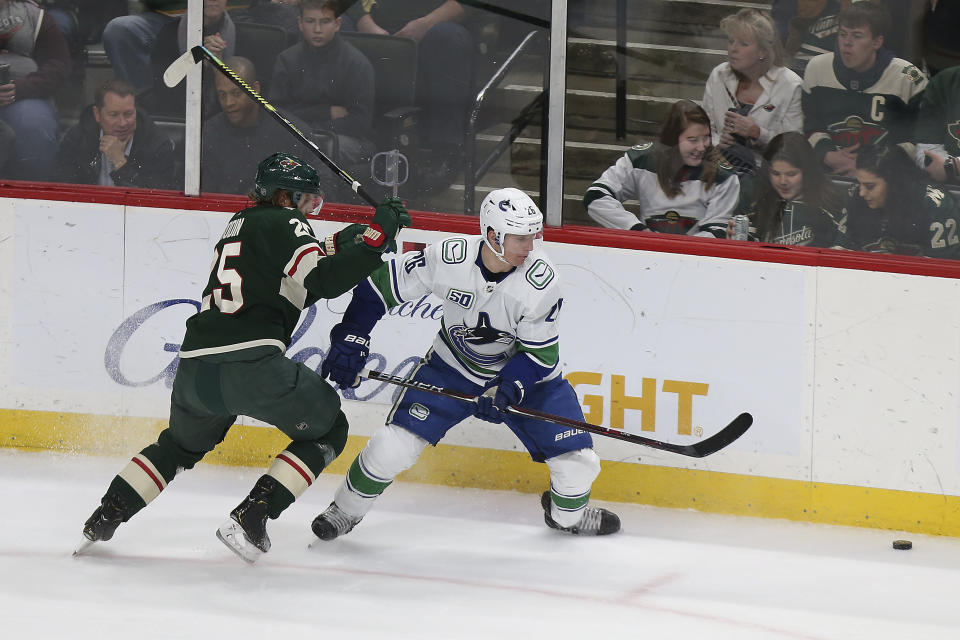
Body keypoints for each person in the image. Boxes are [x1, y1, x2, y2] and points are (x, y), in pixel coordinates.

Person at [80, 152, 412, 564]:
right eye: (307, 202)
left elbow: (292, 279)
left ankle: (107, 513)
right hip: (252, 366)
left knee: (178, 447)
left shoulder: (239, 223)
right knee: (329, 428)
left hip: (195, 372)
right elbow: (320, 281)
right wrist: (376, 242)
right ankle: (254, 512)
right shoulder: (286, 222)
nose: (311, 212)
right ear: (286, 198)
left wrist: (350, 242)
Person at [311, 187, 621, 540]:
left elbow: (539, 356)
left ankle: (567, 518)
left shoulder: (542, 281)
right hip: (451, 370)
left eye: (533, 236)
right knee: (391, 446)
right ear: (492, 235)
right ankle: (344, 511)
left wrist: (506, 389)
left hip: (532, 382)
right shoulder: (448, 257)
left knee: (579, 465)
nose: (530, 247)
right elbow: (376, 290)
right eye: (520, 238)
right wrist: (353, 334)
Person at [345, 0, 473, 192]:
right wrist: (365, 23)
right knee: (336, 23)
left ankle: (445, 152)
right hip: (375, 20)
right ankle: (343, 141)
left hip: (435, 24)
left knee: (446, 37)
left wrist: (426, 24)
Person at [801, 1, 927, 177]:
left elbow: (918, 140)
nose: (847, 43)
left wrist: (872, 165)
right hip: (827, 173)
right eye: (842, 34)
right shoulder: (817, 68)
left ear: (877, 42)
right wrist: (828, 155)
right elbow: (809, 124)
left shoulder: (908, 78)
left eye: (857, 36)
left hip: (886, 178)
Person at [584, 100, 740, 237]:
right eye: (693, 140)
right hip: (647, 254)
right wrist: (637, 230)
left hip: (694, 261)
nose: (701, 147)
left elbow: (717, 231)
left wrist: (677, 249)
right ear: (671, 140)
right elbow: (595, 196)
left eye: (706, 138)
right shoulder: (641, 160)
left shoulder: (723, 176)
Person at [270, 0, 374, 167]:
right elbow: (279, 115)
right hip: (300, 136)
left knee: (320, 148)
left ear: (337, 23)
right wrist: (326, 112)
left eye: (325, 22)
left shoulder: (356, 63)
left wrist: (307, 124)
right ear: (300, 23)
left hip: (341, 139)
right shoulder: (286, 60)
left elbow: (359, 124)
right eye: (310, 21)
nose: (317, 30)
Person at [702, 8, 803, 175]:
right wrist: (719, 142)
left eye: (743, 44)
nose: (733, 49)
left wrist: (757, 133)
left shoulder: (790, 85)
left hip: (768, 174)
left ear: (763, 51)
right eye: (731, 41)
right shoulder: (719, 75)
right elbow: (704, 128)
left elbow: (795, 147)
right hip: (719, 168)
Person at [201, 56, 316, 195]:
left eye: (236, 93)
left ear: (255, 89)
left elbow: (318, 188)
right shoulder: (207, 135)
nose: (228, 102)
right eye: (222, 95)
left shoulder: (292, 132)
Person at [836, 144, 960, 258]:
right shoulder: (855, 196)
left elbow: (942, 274)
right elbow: (839, 250)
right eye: (859, 183)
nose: (861, 192)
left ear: (894, 184)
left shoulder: (936, 207)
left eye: (870, 186)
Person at [54, 78, 179, 189]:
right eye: (113, 115)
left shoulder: (157, 145)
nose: (123, 123)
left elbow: (154, 202)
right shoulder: (77, 138)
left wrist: (120, 162)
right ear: (97, 114)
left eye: (128, 114)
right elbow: (61, 190)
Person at [0, 0, 70, 181]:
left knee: (34, 127)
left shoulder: (33, 15)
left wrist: (21, 88)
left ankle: (34, 200)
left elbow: (58, 64)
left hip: (23, 95)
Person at [748, 132, 844, 246]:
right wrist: (733, 239)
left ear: (808, 172)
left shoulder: (831, 201)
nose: (783, 181)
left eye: (791, 174)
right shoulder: (756, 199)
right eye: (776, 173)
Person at [147, 0, 237, 118]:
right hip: (181, 118)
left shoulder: (242, 36)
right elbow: (164, 92)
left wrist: (217, 67)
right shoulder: (168, 35)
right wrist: (195, 60)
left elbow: (241, 100)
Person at [913, 65, 960, 187]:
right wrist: (951, 167)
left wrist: (954, 166)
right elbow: (927, 150)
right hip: (949, 188)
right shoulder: (945, 81)